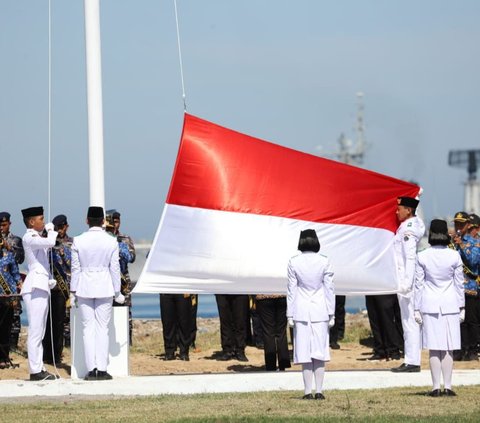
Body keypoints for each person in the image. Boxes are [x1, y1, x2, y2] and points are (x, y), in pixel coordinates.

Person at [70, 206, 124, 381]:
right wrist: (117, 291)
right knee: (102, 328)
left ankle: (90, 369)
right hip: (104, 286)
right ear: (103, 221)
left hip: (84, 286)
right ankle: (101, 369)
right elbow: (115, 269)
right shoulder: (111, 241)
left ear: (87, 220)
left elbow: (75, 269)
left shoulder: (78, 240)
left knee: (87, 329)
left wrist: (72, 292)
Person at [414, 219, 464, 397]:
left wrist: (416, 308)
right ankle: (448, 387)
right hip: (451, 303)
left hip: (429, 304)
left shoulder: (422, 255)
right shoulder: (454, 255)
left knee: (434, 347)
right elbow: (459, 285)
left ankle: (435, 387)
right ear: (446, 234)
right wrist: (462, 306)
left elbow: (418, 285)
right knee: (448, 347)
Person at [287, 229, 335, 400]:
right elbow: (329, 289)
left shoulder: (294, 261)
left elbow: (291, 290)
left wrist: (289, 314)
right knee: (319, 351)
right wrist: (331, 313)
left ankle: (308, 391)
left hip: (300, 309)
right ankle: (319, 390)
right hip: (320, 309)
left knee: (304, 351)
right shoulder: (324, 261)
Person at [20, 206, 58, 381]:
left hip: (42, 284)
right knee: (36, 330)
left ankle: (39, 367)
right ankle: (35, 371)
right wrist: (51, 230)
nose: (43, 221)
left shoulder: (37, 237)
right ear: (31, 222)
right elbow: (50, 242)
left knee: (40, 331)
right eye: (41, 218)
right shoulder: (30, 237)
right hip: (35, 286)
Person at [391, 196, 425, 373]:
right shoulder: (405, 227)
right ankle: (410, 359)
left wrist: (406, 282)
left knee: (410, 321)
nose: (396, 211)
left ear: (409, 210)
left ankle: (412, 361)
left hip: (407, 282)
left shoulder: (409, 229)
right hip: (404, 280)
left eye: (399, 208)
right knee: (407, 321)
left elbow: (410, 258)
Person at [43, 214, 72, 364]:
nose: (59, 230)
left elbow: (71, 262)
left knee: (59, 322)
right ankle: (46, 354)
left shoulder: (70, 243)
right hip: (48, 287)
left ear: (66, 226)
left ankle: (56, 354)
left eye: (62, 227)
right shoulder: (48, 242)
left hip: (62, 289)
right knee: (46, 321)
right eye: (57, 228)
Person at [451, 211, 480, 361]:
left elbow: (474, 260)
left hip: (470, 287)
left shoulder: (475, 242)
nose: (458, 227)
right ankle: (459, 349)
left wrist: (461, 244)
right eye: (456, 224)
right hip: (455, 289)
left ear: (468, 225)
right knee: (457, 321)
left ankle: (473, 349)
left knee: (472, 321)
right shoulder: (451, 243)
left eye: (461, 224)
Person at [106, 210, 135, 345]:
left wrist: (119, 246)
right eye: (113, 222)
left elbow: (132, 257)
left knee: (125, 312)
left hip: (123, 281)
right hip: (107, 281)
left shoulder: (125, 239)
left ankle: (127, 342)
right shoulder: (103, 238)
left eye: (117, 221)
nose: (115, 224)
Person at [0, 211, 25, 350]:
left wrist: (9, 248)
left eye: (3, 225)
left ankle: (12, 348)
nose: (1, 228)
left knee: (13, 317)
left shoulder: (15, 240)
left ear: (9, 224)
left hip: (9, 285)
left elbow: (20, 259)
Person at [0, 235, 21, 369]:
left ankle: (4, 358)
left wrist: (14, 297)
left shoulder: (8, 256)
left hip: (6, 297)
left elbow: (15, 275)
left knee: (5, 328)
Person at [255, 294, 291, 371]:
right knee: (281, 332)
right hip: (282, 295)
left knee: (268, 333)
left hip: (264, 297)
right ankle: (283, 364)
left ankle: (270, 366)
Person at [215, 294, 250, 361]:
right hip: (222, 291)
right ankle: (227, 350)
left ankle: (240, 350)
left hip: (240, 291)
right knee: (225, 320)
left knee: (240, 320)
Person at [159, 294, 193, 360]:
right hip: (165, 291)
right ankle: (169, 352)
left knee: (184, 321)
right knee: (167, 321)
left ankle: (184, 352)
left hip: (183, 290)